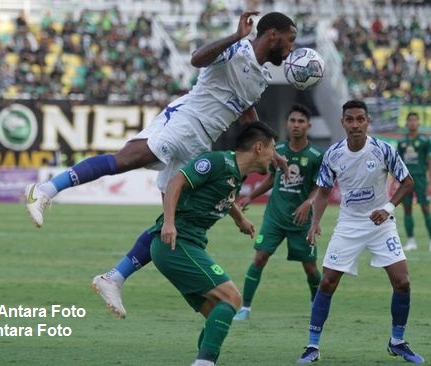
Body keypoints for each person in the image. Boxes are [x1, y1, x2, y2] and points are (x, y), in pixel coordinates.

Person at [25, 11, 297, 227]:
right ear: (273, 34)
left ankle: (113, 278)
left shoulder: (260, 78)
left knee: (178, 216)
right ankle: (46, 190)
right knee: (127, 160)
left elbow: (246, 114)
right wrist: (234, 37)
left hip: (202, 141)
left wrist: (270, 150)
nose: (292, 47)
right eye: (290, 38)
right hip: (185, 121)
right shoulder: (237, 50)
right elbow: (197, 59)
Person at [297, 100, 424, 364]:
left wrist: (388, 208)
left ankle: (397, 342)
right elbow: (322, 191)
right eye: (350, 120)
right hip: (349, 224)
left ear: (367, 122)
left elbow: (407, 182)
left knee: (402, 281)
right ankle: (312, 347)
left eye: (360, 119)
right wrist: (315, 221)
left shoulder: (383, 150)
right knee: (327, 282)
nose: (355, 125)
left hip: (381, 224)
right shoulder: (332, 154)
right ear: (343, 122)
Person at [150, 122, 277, 366]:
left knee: (217, 314)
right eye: (272, 149)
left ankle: (205, 360)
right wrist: (169, 223)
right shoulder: (217, 162)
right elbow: (176, 182)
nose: (274, 156)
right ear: (259, 147)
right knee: (232, 298)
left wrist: (240, 219)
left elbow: (225, 199)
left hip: (188, 245)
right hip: (177, 243)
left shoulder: (235, 175)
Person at [233, 104, 323, 321]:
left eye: (301, 121)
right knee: (260, 258)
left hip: (301, 220)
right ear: (287, 124)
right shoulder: (277, 151)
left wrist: (308, 203)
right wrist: (251, 196)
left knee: (310, 268)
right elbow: (272, 178)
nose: (296, 125)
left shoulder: (316, 155)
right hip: (275, 217)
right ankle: (245, 308)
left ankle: (317, 304)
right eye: (292, 121)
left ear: (308, 126)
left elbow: (320, 186)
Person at [397, 112, 431, 253]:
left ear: (418, 123)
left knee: (426, 209)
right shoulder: (401, 143)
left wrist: (430, 182)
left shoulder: (425, 141)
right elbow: (398, 163)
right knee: (407, 210)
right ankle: (411, 241)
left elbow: (430, 162)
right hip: (405, 180)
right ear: (407, 123)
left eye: (415, 120)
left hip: (420, 179)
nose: (413, 123)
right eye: (410, 120)